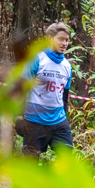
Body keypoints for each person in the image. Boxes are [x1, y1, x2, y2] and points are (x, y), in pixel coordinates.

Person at [16, 22, 75, 155]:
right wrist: (19, 116)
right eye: (60, 39)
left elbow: (64, 95)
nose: (64, 43)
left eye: (66, 40)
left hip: (58, 121)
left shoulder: (67, 66)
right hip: (34, 121)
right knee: (30, 165)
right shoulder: (37, 59)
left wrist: (64, 115)